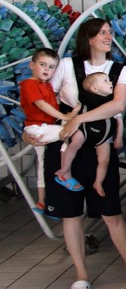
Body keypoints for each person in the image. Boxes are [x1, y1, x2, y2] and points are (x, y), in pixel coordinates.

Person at [31, 18, 126, 289]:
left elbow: (118, 104)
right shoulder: (67, 66)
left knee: (111, 211)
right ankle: (81, 275)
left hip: (100, 145)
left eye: (110, 32)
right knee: (71, 214)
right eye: (102, 32)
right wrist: (33, 130)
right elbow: (45, 98)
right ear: (89, 38)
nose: (108, 36)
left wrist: (79, 119)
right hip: (67, 147)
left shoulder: (118, 69)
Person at [20, 47, 80, 211]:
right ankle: (64, 173)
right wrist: (65, 116)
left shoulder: (45, 85)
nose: (47, 69)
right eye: (42, 65)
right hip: (38, 128)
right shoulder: (29, 84)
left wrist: (72, 112)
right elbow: (41, 105)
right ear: (31, 65)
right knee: (70, 133)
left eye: (51, 67)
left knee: (42, 165)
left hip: (43, 127)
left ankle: (41, 201)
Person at [54, 71, 121, 198]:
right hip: (85, 131)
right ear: (94, 88)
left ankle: (98, 182)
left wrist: (118, 137)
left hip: (103, 136)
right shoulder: (85, 101)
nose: (110, 83)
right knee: (73, 145)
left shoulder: (112, 103)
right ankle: (65, 167)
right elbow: (75, 111)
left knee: (104, 160)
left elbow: (119, 120)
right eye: (106, 81)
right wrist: (68, 118)